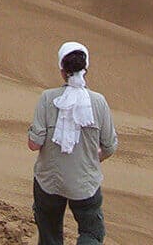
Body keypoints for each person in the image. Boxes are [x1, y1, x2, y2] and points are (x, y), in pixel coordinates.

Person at [27, 41, 117, 245]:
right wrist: (92, 159)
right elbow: (110, 146)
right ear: (85, 69)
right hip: (85, 183)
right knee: (92, 233)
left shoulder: (47, 99)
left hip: (48, 182)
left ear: (62, 70)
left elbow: (34, 144)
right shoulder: (99, 102)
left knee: (49, 234)